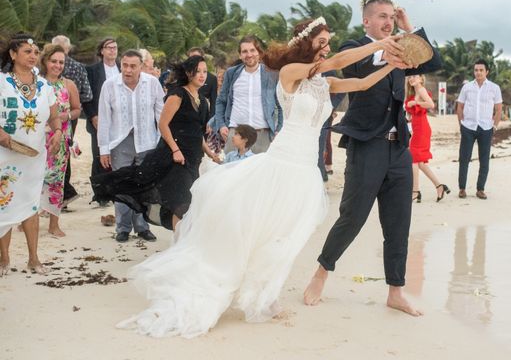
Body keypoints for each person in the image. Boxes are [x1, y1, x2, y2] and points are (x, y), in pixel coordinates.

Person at [115, 17, 404, 338]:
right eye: (321, 42)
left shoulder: (325, 83)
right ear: (307, 44)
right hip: (281, 165)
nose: (327, 48)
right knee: (260, 230)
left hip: (306, 171)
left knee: (285, 237)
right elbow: (336, 62)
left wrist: (391, 64)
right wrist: (379, 44)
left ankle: (264, 294)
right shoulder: (292, 72)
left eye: (328, 42)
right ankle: (248, 290)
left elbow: (362, 85)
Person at [303, 0, 442, 316]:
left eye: (392, 17)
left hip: (398, 150)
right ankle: (321, 272)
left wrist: (410, 29)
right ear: (366, 20)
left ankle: (396, 291)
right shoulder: (356, 47)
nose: (388, 22)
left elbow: (432, 62)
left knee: (398, 223)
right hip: (367, 145)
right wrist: (386, 47)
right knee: (352, 217)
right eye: (382, 16)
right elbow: (349, 65)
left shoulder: (399, 56)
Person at [92, 56, 215, 231]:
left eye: (205, 71)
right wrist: (175, 150)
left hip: (194, 158)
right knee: (181, 202)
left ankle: (154, 231)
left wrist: (210, 153)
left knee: (190, 200)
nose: (202, 75)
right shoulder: (178, 95)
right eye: (197, 71)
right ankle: (129, 229)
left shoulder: (203, 101)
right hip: (176, 157)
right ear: (188, 73)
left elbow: (197, 131)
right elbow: (163, 123)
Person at [0, 33, 62, 276]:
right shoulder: (2, 83)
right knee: (4, 205)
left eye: (36, 52)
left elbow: (55, 115)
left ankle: (34, 258)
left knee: (32, 204)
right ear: (13, 54)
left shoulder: (45, 86)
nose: (33, 56)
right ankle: (4, 259)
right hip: (5, 155)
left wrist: (57, 132)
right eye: (27, 51)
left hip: (34, 155)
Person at [97, 50, 163, 242]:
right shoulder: (110, 86)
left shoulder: (152, 84)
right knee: (122, 185)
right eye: (124, 65)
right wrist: (104, 149)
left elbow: (161, 115)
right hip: (120, 142)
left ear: (141, 67)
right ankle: (123, 228)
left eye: (133, 66)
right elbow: (104, 120)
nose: (128, 70)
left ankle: (143, 227)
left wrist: (160, 142)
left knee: (144, 185)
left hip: (147, 141)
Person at [210, 36, 282, 154]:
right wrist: (221, 125)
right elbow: (221, 101)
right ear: (240, 55)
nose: (249, 55)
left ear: (259, 52)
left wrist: (279, 129)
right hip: (235, 135)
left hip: (262, 136)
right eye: (244, 51)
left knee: (261, 172)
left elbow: (281, 105)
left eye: (252, 50)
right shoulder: (231, 73)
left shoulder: (272, 74)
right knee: (231, 171)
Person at [39, 44, 81, 236]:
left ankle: (53, 224)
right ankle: (26, 220)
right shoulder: (36, 83)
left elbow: (77, 109)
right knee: (35, 179)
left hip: (61, 140)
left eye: (61, 62)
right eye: (53, 61)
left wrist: (65, 117)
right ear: (45, 61)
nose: (57, 65)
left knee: (57, 181)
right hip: (38, 138)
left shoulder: (68, 85)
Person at [51, 35, 92, 205]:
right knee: (63, 154)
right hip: (69, 118)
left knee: (53, 155)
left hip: (56, 118)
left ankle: (61, 194)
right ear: (68, 49)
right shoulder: (78, 67)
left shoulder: (45, 67)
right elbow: (88, 94)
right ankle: (63, 194)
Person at [456, 59, 502, 200]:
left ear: (486, 71)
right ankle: (462, 189)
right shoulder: (467, 87)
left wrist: (494, 126)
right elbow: (460, 107)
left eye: (481, 70)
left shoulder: (494, 88)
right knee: (464, 159)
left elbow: (498, 109)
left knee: (484, 160)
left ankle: (480, 189)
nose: (478, 72)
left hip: (486, 128)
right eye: (476, 70)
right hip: (468, 127)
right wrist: (461, 125)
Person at [83, 37, 120, 205]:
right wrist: (93, 116)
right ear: (102, 51)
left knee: (117, 156)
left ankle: (114, 191)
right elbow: (87, 96)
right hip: (98, 119)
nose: (112, 50)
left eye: (115, 47)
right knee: (99, 156)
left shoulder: (123, 68)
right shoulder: (92, 70)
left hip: (119, 121)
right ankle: (100, 194)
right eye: (109, 47)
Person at [405, 74, 449, 203]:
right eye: (409, 77)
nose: (411, 79)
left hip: (422, 129)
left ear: (421, 78)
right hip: (418, 128)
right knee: (420, 163)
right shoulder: (415, 91)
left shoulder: (421, 90)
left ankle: (415, 191)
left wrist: (415, 102)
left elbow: (431, 104)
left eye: (414, 76)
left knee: (413, 158)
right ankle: (439, 186)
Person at [186, 47, 217, 117]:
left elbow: (213, 102)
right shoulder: (183, 76)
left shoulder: (212, 78)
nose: (193, 60)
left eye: (196, 57)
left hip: (204, 118)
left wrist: (211, 120)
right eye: (190, 58)